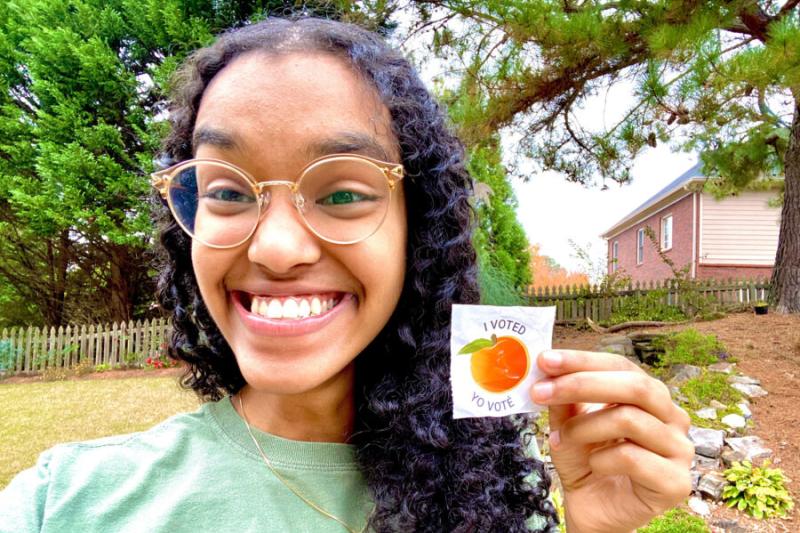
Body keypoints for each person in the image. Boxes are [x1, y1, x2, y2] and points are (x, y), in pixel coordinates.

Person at [0, 16, 693, 532]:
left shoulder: (491, 501)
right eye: (227, 189)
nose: (274, 248)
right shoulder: (62, 502)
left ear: (414, 228)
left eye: (342, 192)